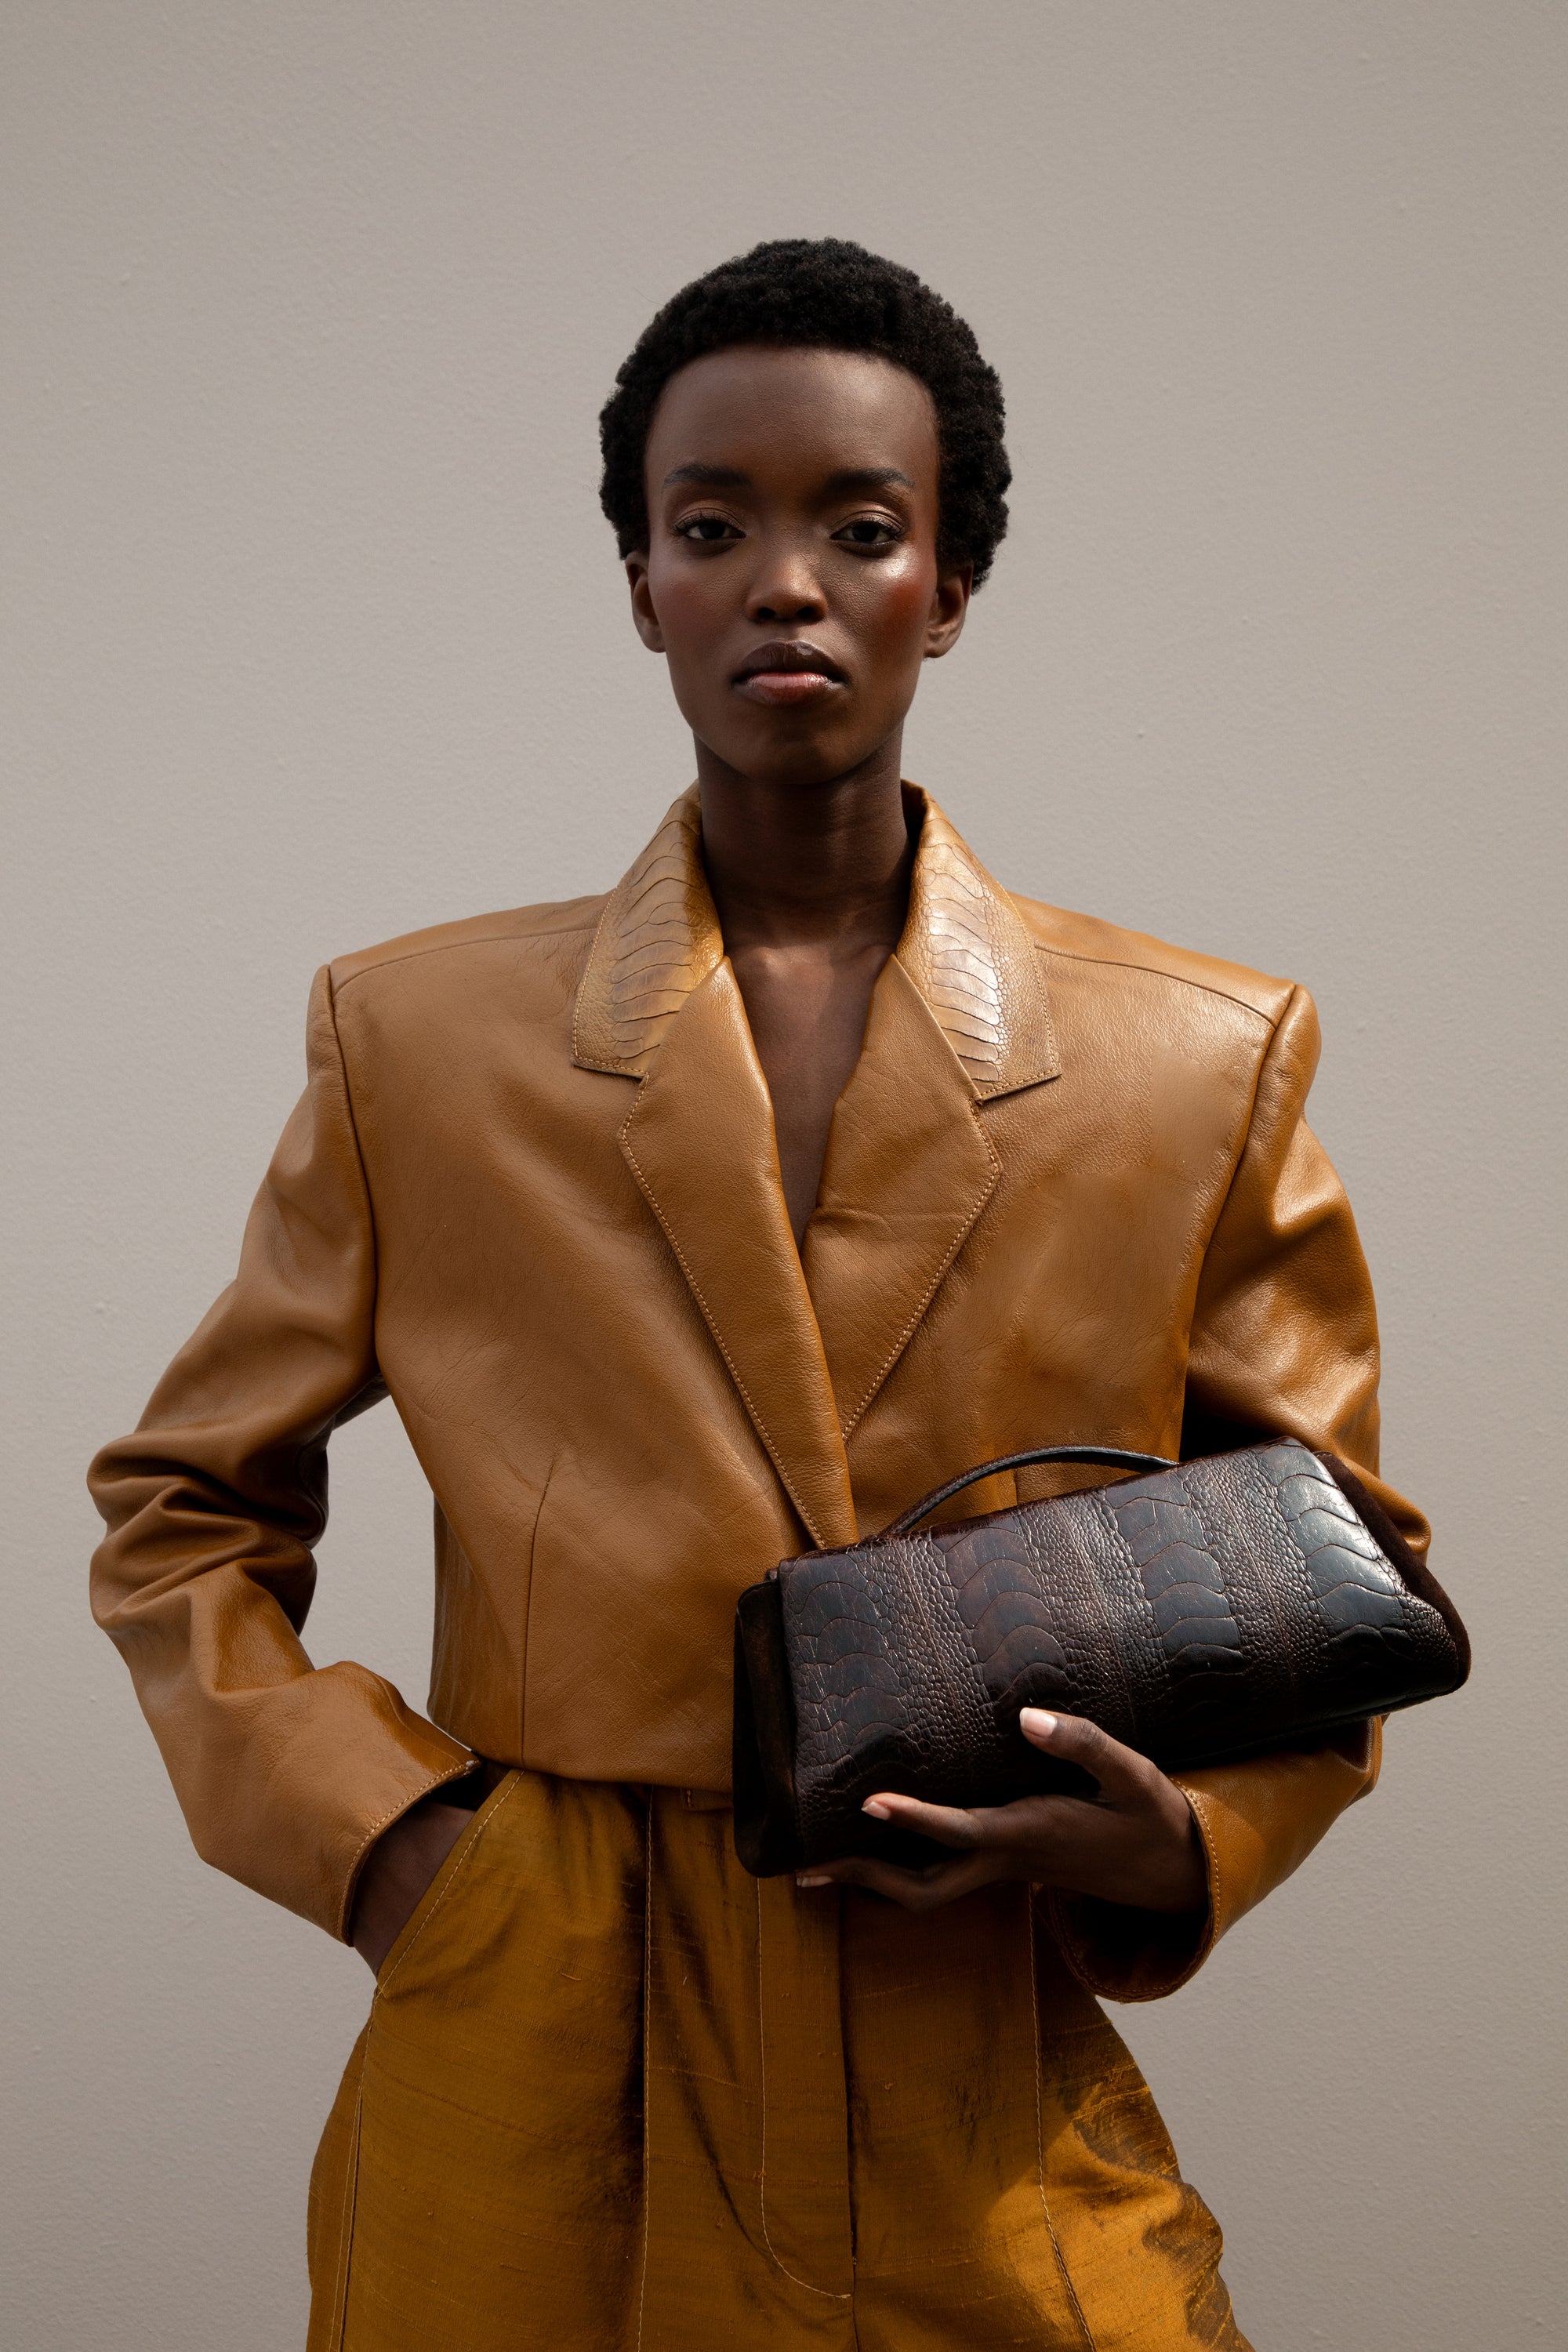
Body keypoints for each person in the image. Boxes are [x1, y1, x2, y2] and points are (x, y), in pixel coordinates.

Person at [89, 238, 1427, 2352]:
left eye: (860, 528)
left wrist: (1165, 1839)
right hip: (538, 2030)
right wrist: (400, 1855)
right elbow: (184, 1514)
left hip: (964, 2022)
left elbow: (1338, 1571)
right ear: (642, 581)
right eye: (712, 525)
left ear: (950, 586)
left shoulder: (1200, 1055)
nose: (783, 582)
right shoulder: (420, 1041)